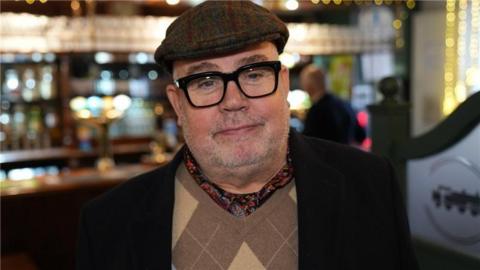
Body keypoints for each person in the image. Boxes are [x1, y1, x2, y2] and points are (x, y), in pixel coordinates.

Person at [76, 1, 418, 270]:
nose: (234, 101)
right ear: (177, 104)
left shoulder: (372, 185)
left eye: (254, 74)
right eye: (206, 82)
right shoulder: (108, 223)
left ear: (284, 84)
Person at [301, 64, 366, 144]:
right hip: (346, 155)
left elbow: (306, 143)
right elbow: (361, 136)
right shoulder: (345, 105)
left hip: (325, 156)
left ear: (309, 86)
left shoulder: (316, 111)